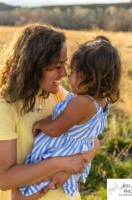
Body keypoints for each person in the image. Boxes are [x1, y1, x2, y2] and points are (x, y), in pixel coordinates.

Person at [0, 23, 100, 200]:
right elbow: (5, 179)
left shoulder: (59, 96)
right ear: (32, 66)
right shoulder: (3, 107)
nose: (64, 73)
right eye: (56, 66)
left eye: (65, 64)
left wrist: (66, 173)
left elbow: (93, 142)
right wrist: (61, 164)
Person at [19, 36, 122, 197]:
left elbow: (55, 129)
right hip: (77, 152)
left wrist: (42, 124)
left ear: (90, 77)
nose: (68, 75)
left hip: (60, 152)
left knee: (30, 189)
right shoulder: (101, 101)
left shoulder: (81, 103)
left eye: (73, 72)